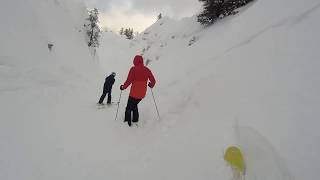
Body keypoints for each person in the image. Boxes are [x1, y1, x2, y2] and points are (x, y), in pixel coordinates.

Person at [120, 55, 156, 126]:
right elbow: (153, 81)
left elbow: (129, 81)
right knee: (134, 106)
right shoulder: (147, 70)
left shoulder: (133, 69)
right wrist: (150, 85)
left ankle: (127, 123)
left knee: (128, 108)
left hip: (133, 94)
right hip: (142, 95)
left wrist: (123, 87)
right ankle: (135, 120)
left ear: (135, 61)